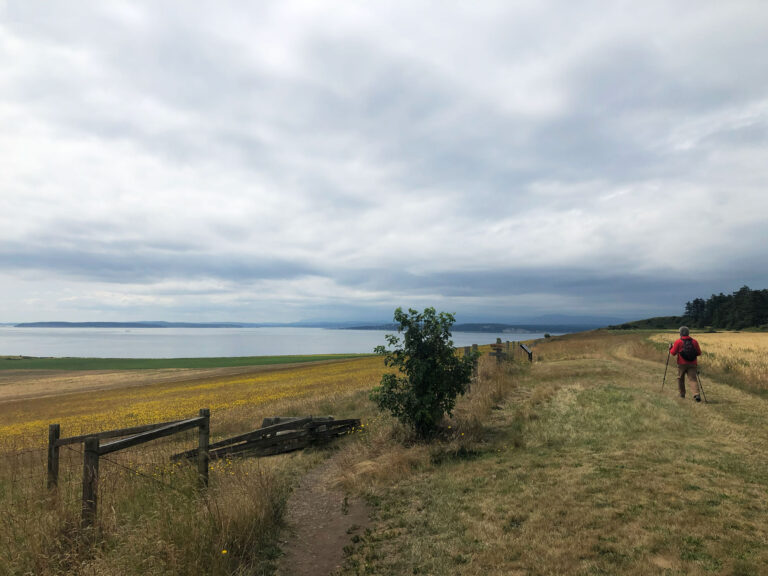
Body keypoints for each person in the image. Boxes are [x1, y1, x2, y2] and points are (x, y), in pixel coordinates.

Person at [669, 326, 702, 402]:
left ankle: (682, 394)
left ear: (680, 333)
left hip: (681, 363)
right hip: (693, 363)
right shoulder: (694, 341)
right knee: (693, 379)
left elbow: (673, 353)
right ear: (688, 333)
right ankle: (696, 394)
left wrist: (670, 348)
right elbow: (699, 353)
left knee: (680, 379)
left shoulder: (678, 342)